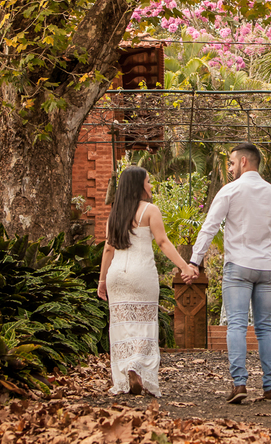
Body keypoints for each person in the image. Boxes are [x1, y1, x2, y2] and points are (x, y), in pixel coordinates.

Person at [187, 143, 271, 404]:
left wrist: (194, 261)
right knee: (265, 328)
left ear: (245, 162)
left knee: (236, 324)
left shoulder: (231, 190)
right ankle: (270, 386)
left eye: (232, 163)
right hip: (268, 268)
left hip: (238, 266)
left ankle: (239, 384)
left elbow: (209, 227)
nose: (230, 168)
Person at [97, 165, 198, 397]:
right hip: (141, 274)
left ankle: (127, 371)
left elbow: (108, 249)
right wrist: (185, 267)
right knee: (145, 323)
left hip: (116, 276)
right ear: (139, 186)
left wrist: (102, 281)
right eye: (148, 181)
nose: (151, 186)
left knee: (122, 326)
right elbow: (163, 242)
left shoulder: (115, 214)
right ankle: (137, 366)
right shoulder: (150, 210)